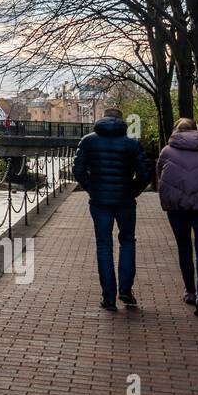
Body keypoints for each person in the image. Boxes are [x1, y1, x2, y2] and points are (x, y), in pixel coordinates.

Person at [73, 108, 153, 311]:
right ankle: (126, 289)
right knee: (127, 242)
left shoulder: (88, 141)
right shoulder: (132, 144)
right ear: (121, 121)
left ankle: (108, 296)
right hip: (125, 200)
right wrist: (133, 190)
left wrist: (91, 188)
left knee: (104, 245)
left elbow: (78, 169)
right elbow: (145, 173)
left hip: (100, 201)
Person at [156, 118, 198, 318]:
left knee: (184, 247)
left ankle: (190, 291)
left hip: (178, 208)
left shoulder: (166, 152)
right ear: (197, 131)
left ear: (176, 131)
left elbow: (160, 174)